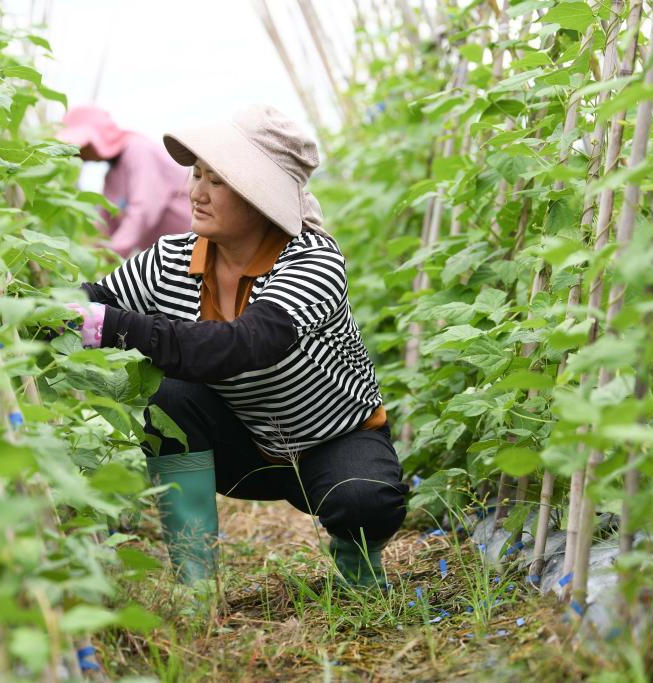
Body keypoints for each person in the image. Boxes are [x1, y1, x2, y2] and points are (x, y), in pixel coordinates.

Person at [65, 104, 408, 591]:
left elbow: (239, 346)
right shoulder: (170, 259)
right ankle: (195, 582)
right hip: (241, 449)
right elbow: (94, 299)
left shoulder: (313, 262)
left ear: (259, 195)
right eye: (197, 175)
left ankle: (358, 562)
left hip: (329, 444)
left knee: (366, 501)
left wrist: (107, 327)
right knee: (169, 397)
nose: (196, 193)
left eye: (218, 181)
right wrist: (33, 306)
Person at [58, 105, 192, 257]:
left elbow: (143, 210)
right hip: (171, 256)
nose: (79, 155)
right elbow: (106, 221)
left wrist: (111, 253)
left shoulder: (138, 150)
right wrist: (88, 252)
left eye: (81, 146)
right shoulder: (112, 175)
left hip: (192, 246)